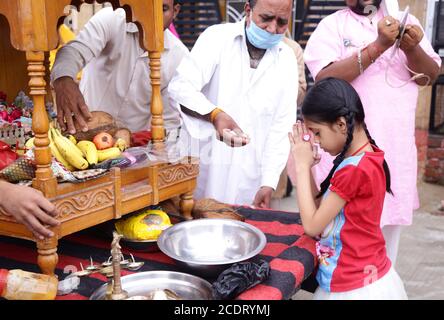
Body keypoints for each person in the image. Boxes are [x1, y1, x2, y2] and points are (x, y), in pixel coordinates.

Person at [303, 0, 441, 264]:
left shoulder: (405, 21)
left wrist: (411, 49)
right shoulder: (331, 26)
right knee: (337, 247)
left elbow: (430, 75)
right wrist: (378, 46)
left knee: (385, 252)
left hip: (393, 157)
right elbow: (325, 79)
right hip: (345, 158)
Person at [168, 0, 298, 208]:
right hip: (204, 169)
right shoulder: (216, 38)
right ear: (248, 10)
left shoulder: (287, 60)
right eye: (265, 19)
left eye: (282, 22)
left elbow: (281, 128)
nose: (273, 29)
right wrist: (214, 114)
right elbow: (180, 88)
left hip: (250, 182)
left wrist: (269, 182)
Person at [289, 77, 407, 300]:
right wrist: (310, 169)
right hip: (367, 275)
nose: (316, 141)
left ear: (341, 124)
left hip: (354, 287)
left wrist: (302, 167)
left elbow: (312, 226)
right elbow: (320, 211)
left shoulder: (353, 170)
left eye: (317, 132)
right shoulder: (365, 156)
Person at [51, 0, 188, 136]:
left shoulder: (179, 56)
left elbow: (169, 122)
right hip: (84, 134)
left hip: (134, 146)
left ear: (175, 11)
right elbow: (75, 51)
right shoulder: (112, 18)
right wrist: (63, 79)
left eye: (162, 9)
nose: (153, 16)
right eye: (148, 7)